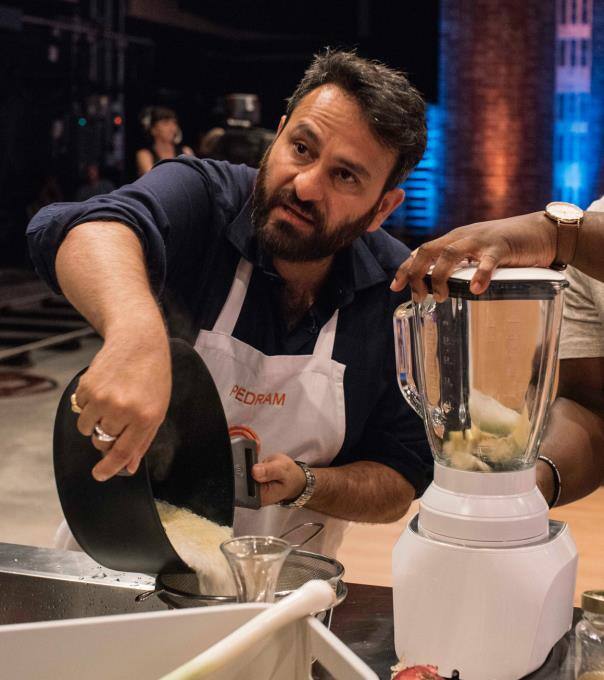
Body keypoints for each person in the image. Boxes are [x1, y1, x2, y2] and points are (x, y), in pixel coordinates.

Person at [27, 49, 432, 556]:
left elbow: (399, 478)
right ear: (277, 136)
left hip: (282, 588)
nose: (306, 185)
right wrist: (136, 335)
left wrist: (308, 483)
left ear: (382, 208)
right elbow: (85, 228)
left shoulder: (394, 296)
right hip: (117, 564)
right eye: (301, 148)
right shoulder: (205, 196)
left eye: (345, 176)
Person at [391, 200, 604, 507]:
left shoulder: (575, 232)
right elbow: (593, 409)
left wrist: (555, 235)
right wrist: (523, 489)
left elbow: (565, 237)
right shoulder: (590, 220)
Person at [135, 106, 194, 176]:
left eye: (174, 123)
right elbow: (153, 178)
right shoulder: (145, 155)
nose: (172, 128)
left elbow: (193, 177)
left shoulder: (186, 151)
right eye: (165, 123)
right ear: (153, 129)